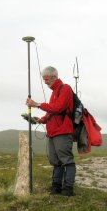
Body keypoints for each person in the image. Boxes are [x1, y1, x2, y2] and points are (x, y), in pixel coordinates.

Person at [26, 66, 76, 196]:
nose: (45, 82)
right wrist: (42, 120)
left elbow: (59, 108)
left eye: (47, 79)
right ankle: (56, 187)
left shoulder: (65, 89)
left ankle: (68, 189)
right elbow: (52, 112)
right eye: (44, 80)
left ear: (54, 77)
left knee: (66, 160)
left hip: (63, 132)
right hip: (53, 132)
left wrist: (37, 104)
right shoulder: (54, 92)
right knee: (55, 161)